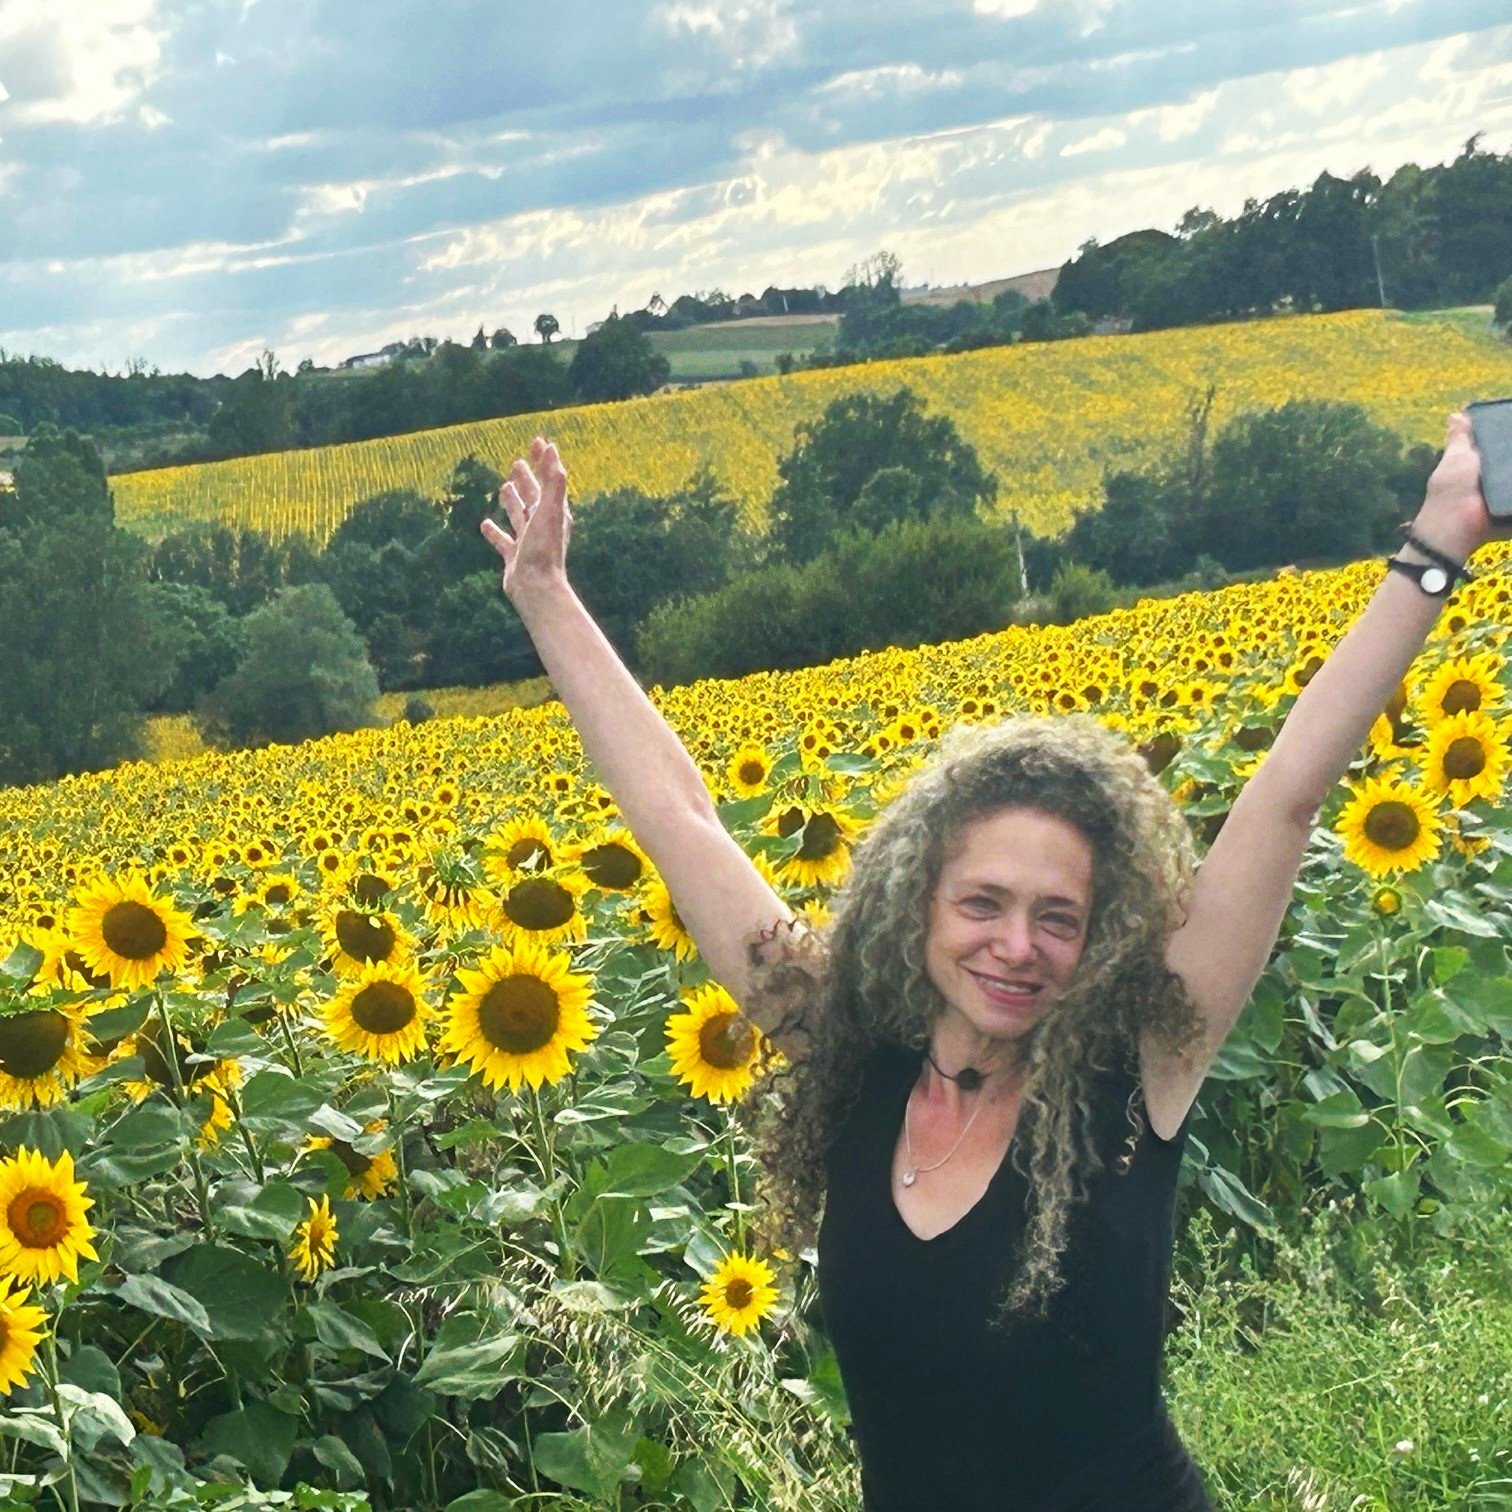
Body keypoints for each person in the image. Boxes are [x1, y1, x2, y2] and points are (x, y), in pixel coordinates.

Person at [480, 412, 1507, 1511]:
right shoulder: (850, 1052)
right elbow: (681, 819)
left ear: (1102, 933)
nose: (1018, 947)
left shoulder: (1141, 1061)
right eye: (983, 903)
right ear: (913, 903)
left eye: (1059, 917)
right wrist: (546, 598)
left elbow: (1288, 798)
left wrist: (1437, 545)